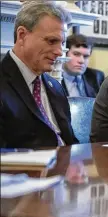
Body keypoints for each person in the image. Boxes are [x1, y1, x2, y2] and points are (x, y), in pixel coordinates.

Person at [0, 1, 78, 148]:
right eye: (51, 41)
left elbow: (70, 141)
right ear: (22, 35)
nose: (59, 52)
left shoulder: (55, 86)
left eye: (61, 43)